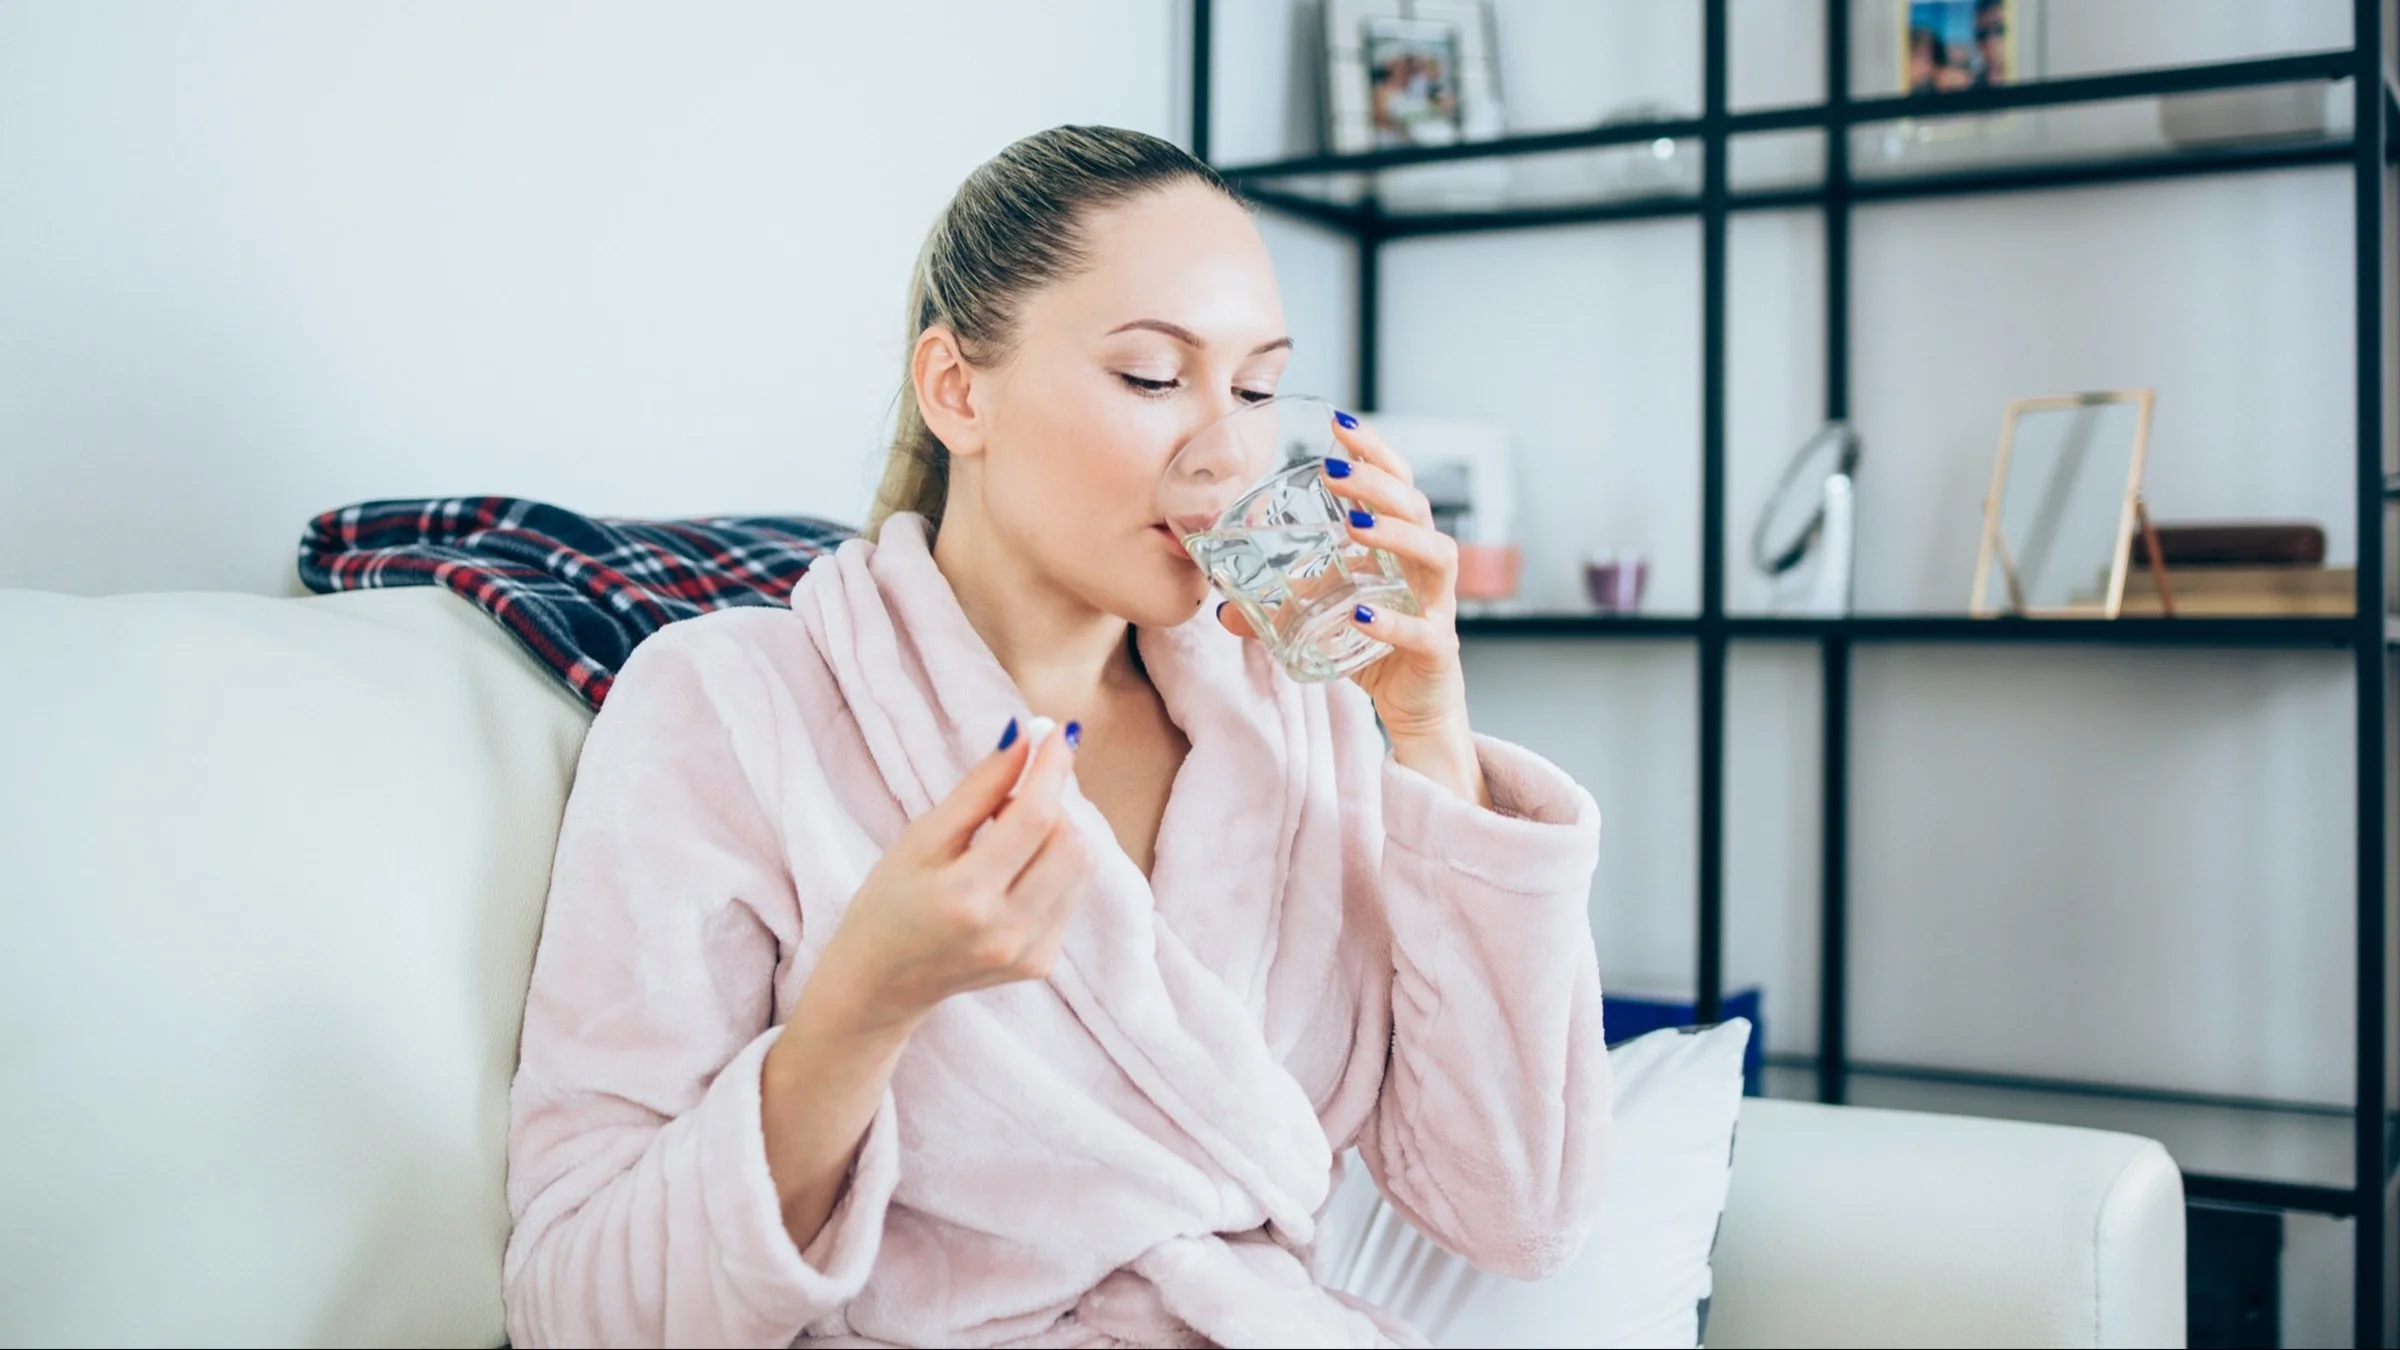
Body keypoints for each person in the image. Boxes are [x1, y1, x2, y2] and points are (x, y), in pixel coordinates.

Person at [500, 125, 1609, 1348]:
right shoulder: (725, 710)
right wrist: (867, 1001)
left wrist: (1432, 743)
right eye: (1152, 378)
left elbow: (1517, 1214)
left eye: (1255, 389)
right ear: (957, 390)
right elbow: (579, 1307)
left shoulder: (1305, 727)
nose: (1230, 451)